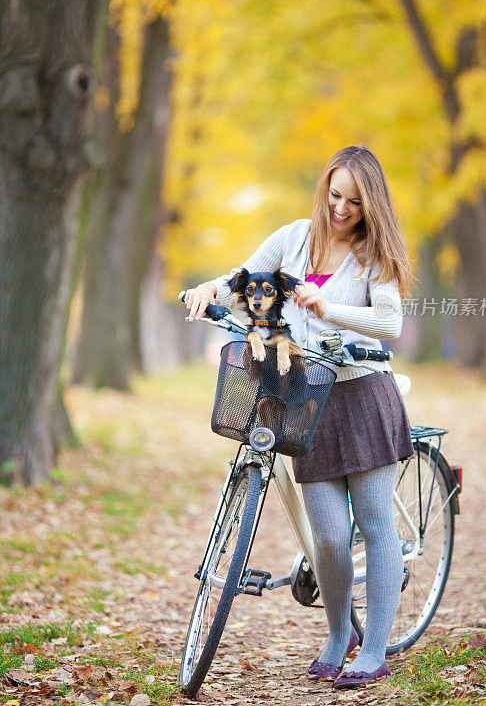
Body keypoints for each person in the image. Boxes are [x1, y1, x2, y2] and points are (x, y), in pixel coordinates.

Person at [184, 145, 414, 689]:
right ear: (324, 189)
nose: (340, 209)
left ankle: (374, 649)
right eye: (335, 195)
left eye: (354, 202)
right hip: (306, 399)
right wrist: (208, 289)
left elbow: (391, 323)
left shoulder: (373, 255)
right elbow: (242, 277)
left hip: (363, 395)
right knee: (330, 539)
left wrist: (324, 306)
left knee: (378, 524)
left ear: (370, 205)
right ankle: (339, 635)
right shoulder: (293, 238)